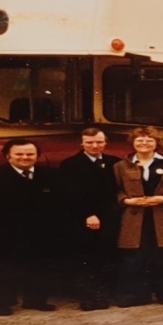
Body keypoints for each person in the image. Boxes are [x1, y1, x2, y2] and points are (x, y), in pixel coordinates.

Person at [0, 138, 60, 316]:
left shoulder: (50, 175)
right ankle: (3, 304)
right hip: (5, 234)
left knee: (40, 268)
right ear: (8, 156)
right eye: (19, 154)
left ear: (37, 156)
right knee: (5, 270)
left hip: (40, 233)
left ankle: (35, 300)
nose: (25, 157)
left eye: (30, 154)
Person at [114, 126, 163, 307]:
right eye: (139, 140)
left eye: (149, 140)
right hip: (135, 217)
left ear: (157, 143)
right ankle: (136, 296)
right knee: (134, 257)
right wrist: (127, 201)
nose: (144, 143)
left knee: (162, 256)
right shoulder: (121, 166)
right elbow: (116, 190)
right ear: (133, 143)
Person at [58, 127, 121, 311]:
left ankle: (103, 297)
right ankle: (88, 298)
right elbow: (68, 194)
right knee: (87, 260)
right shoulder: (70, 164)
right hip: (85, 219)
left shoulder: (114, 163)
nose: (95, 146)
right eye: (90, 142)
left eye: (99, 142)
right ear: (82, 144)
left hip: (109, 218)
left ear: (105, 143)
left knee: (106, 258)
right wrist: (87, 214)